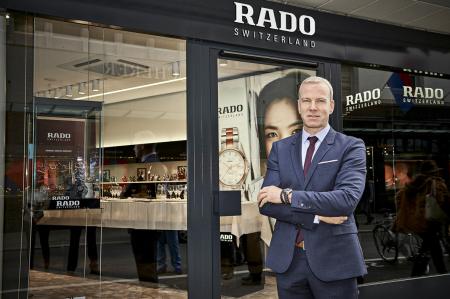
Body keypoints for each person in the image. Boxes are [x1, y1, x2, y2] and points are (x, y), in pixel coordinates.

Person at [258, 76, 367, 299]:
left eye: (320, 100)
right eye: (306, 101)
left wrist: (287, 195)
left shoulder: (351, 147)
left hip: (335, 261)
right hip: (289, 260)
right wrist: (316, 216)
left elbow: (346, 200)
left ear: (331, 105)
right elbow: (267, 203)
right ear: (299, 106)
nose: (313, 107)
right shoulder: (280, 149)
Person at [393, 160, 450, 276]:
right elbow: (444, 201)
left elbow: (399, 198)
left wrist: (413, 210)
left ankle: (434, 272)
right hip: (432, 221)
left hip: (418, 222)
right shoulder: (435, 183)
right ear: (433, 172)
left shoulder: (413, 184)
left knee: (432, 247)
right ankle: (426, 273)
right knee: (432, 247)